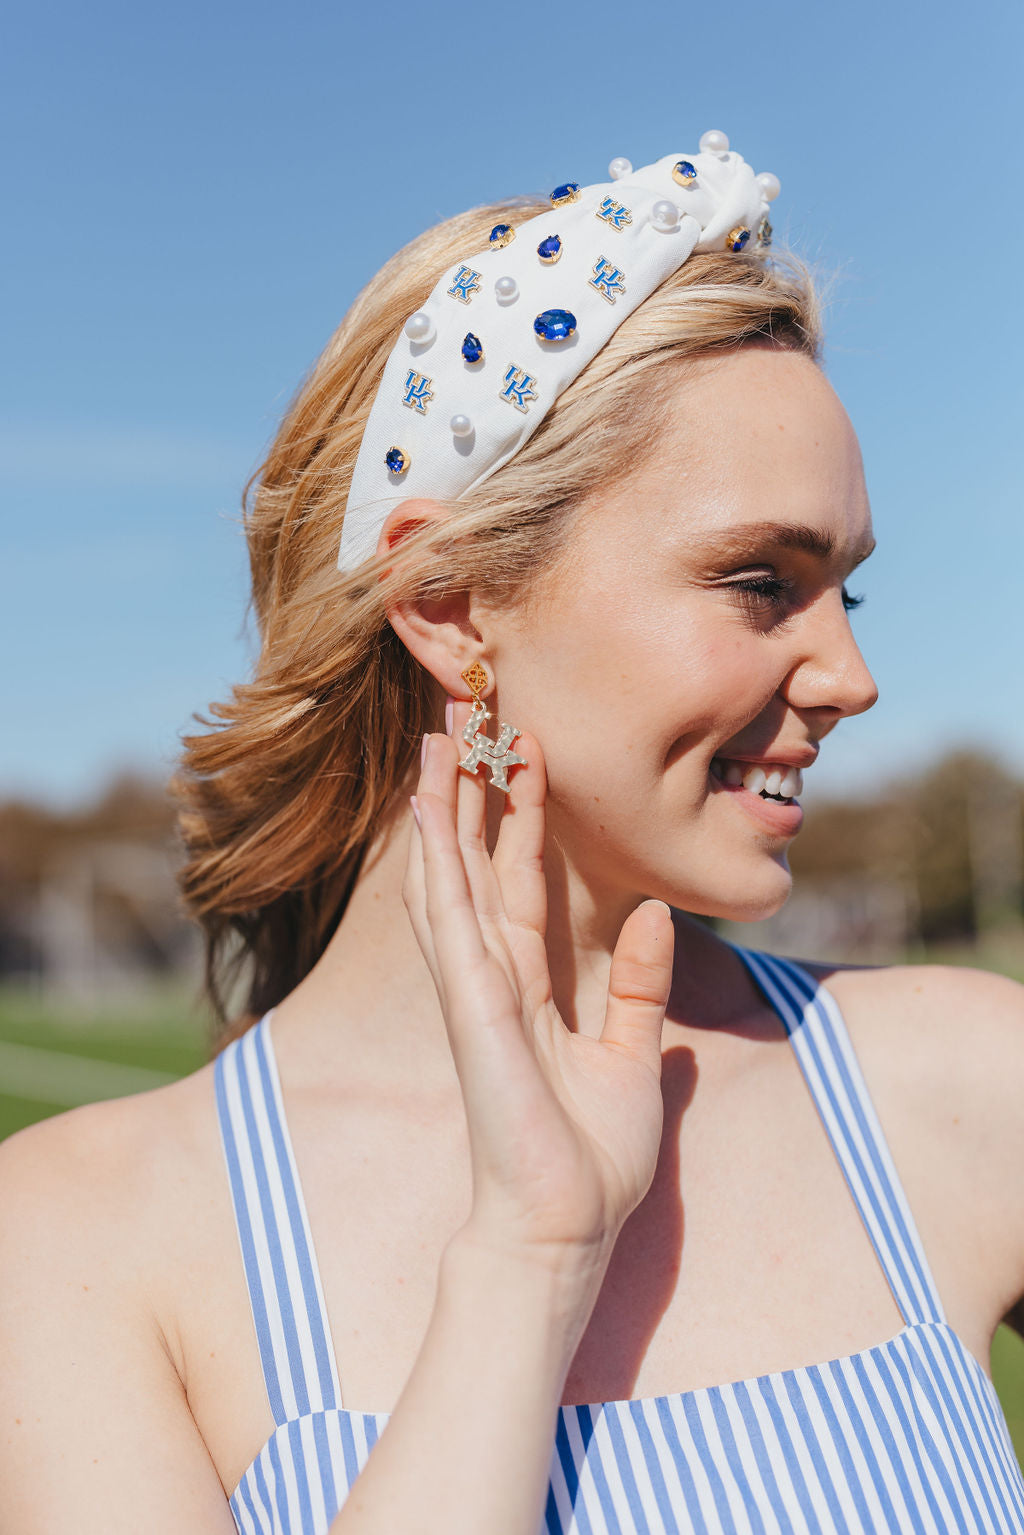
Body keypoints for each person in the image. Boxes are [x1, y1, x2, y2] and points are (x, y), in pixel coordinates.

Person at [1, 135, 1022, 1535]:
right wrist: (532, 1256)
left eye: (847, 591)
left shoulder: (967, 1085)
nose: (850, 678)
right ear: (454, 606)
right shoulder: (74, 1243)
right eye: (760, 581)